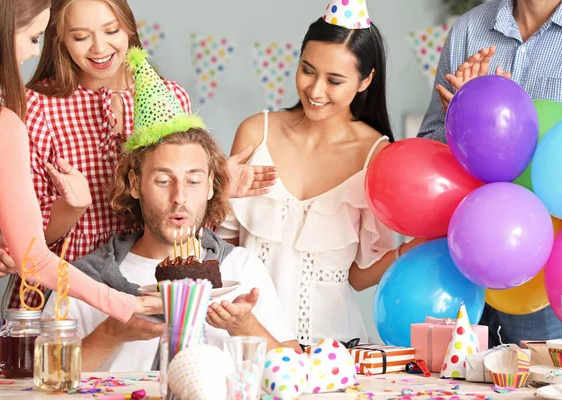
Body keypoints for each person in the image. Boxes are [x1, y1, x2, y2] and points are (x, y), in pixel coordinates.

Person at [0, 0, 276, 312]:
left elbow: (174, 209)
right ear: (59, 38)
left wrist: (211, 186)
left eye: (111, 30)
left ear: (128, 27)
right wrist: (72, 207)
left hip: (149, 288)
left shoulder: (169, 95)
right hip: (65, 295)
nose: (99, 48)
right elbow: (30, 237)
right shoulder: (34, 106)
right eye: (81, 37)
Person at [42, 48, 297, 372]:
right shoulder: (83, 279)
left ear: (209, 186)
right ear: (134, 184)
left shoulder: (239, 269)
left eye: (193, 181)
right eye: (163, 181)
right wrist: (111, 333)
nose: (179, 197)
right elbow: (43, 380)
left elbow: (294, 371)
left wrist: (244, 326)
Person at [0, 0, 159, 376]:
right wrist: (121, 302)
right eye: (35, 37)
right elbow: (32, 258)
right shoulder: (10, 121)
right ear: (1, 33)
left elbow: (26, 253)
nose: (36, 51)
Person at [216, 0, 423, 345]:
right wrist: (216, 194)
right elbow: (224, 254)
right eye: (308, 70)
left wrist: (408, 250)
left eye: (334, 80)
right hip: (247, 343)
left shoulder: (377, 157)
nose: (315, 90)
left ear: (365, 80)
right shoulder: (256, 133)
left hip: (332, 349)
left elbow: (357, 277)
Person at [417, 0, 562, 346]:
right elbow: (429, 143)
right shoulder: (469, 29)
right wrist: (463, 117)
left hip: (543, 268)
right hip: (463, 255)